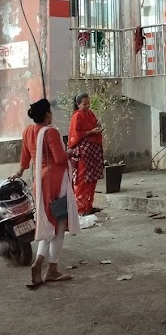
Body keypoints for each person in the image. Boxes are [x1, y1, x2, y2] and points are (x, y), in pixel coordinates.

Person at [11, 98, 80, 288]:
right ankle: (52, 269)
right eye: (50, 112)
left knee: (49, 223)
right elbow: (58, 158)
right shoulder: (51, 132)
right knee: (58, 224)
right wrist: (70, 153)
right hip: (55, 181)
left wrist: (18, 173)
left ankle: (39, 263)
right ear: (47, 114)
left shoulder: (27, 132)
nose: (51, 115)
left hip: (39, 182)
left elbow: (25, 159)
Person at [68, 93, 105, 216]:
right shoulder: (77, 116)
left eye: (88, 103)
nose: (87, 105)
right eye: (84, 104)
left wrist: (98, 127)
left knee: (92, 179)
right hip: (84, 152)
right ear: (78, 104)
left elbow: (95, 124)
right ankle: (80, 208)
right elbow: (75, 135)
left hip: (93, 151)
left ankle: (89, 205)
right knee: (83, 180)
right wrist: (90, 132)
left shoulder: (89, 113)